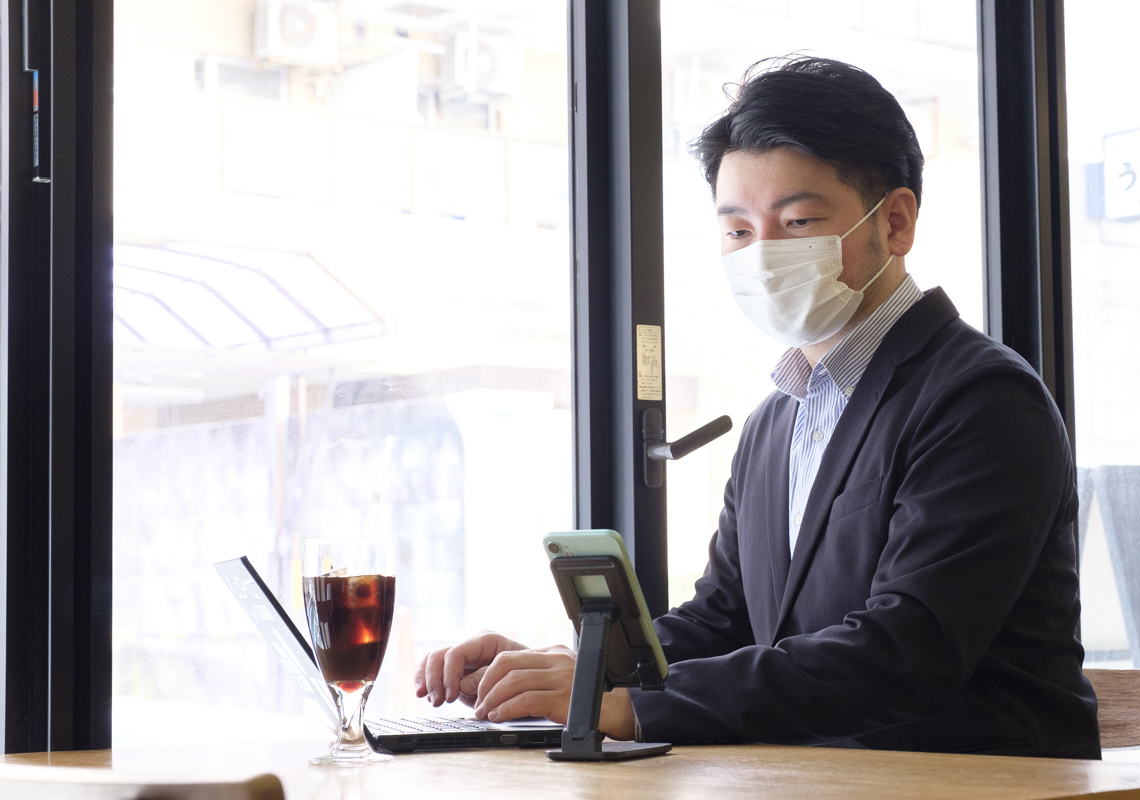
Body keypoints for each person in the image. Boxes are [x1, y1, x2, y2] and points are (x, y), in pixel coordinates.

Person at [415, 56, 1101, 758]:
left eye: (798, 221)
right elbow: (724, 621)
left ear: (895, 223)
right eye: (739, 232)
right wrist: (569, 670)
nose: (763, 257)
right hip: (819, 780)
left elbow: (905, 652)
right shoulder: (775, 422)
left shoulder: (982, 401)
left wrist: (630, 708)